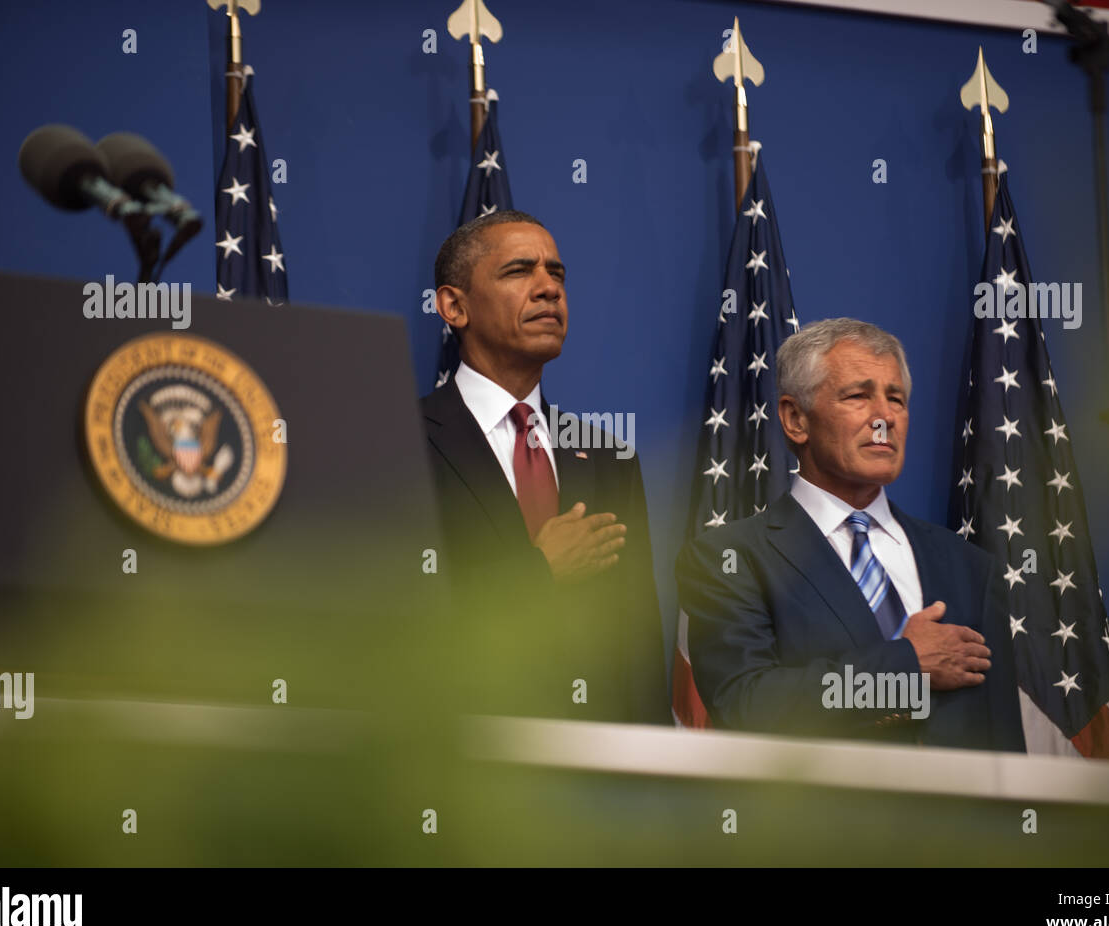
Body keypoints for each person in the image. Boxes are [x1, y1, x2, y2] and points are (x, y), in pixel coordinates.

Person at [676, 318, 1025, 750]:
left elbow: (1005, 750)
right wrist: (904, 666)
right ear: (795, 419)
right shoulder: (730, 558)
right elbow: (748, 706)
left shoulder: (971, 566)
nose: (884, 419)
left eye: (896, 399)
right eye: (859, 396)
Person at [420, 211, 667, 724]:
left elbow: (636, 646)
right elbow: (396, 617)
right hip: (457, 762)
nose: (548, 289)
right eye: (518, 272)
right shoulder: (401, 440)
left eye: (556, 274)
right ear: (454, 306)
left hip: (593, 774)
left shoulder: (608, 457)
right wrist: (540, 572)